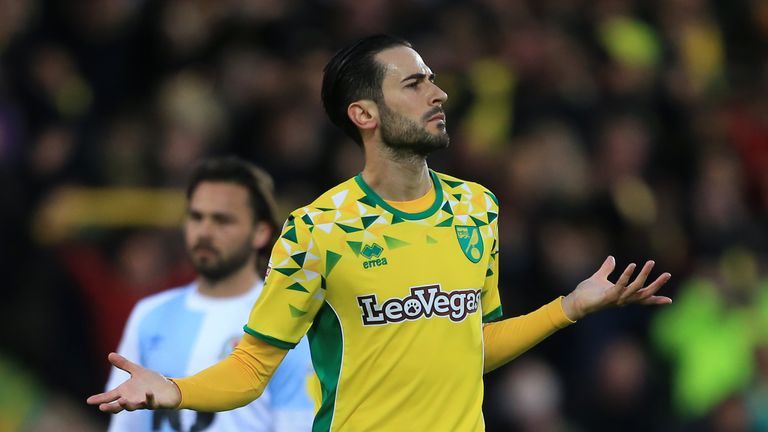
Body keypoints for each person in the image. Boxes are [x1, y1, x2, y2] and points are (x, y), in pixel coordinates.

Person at [88, 35, 672, 431]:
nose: (438, 93)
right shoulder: (317, 231)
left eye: (433, 80)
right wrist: (174, 388)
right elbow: (251, 368)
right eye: (414, 84)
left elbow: (472, 347)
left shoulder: (478, 208)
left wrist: (567, 307)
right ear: (365, 115)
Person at [104, 157, 316, 431]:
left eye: (222, 220)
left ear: (261, 232)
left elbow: (297, 423)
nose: (204, 231)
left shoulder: (288, 319)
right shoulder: (149, 314)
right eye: (196, 217)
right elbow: (126, 425)